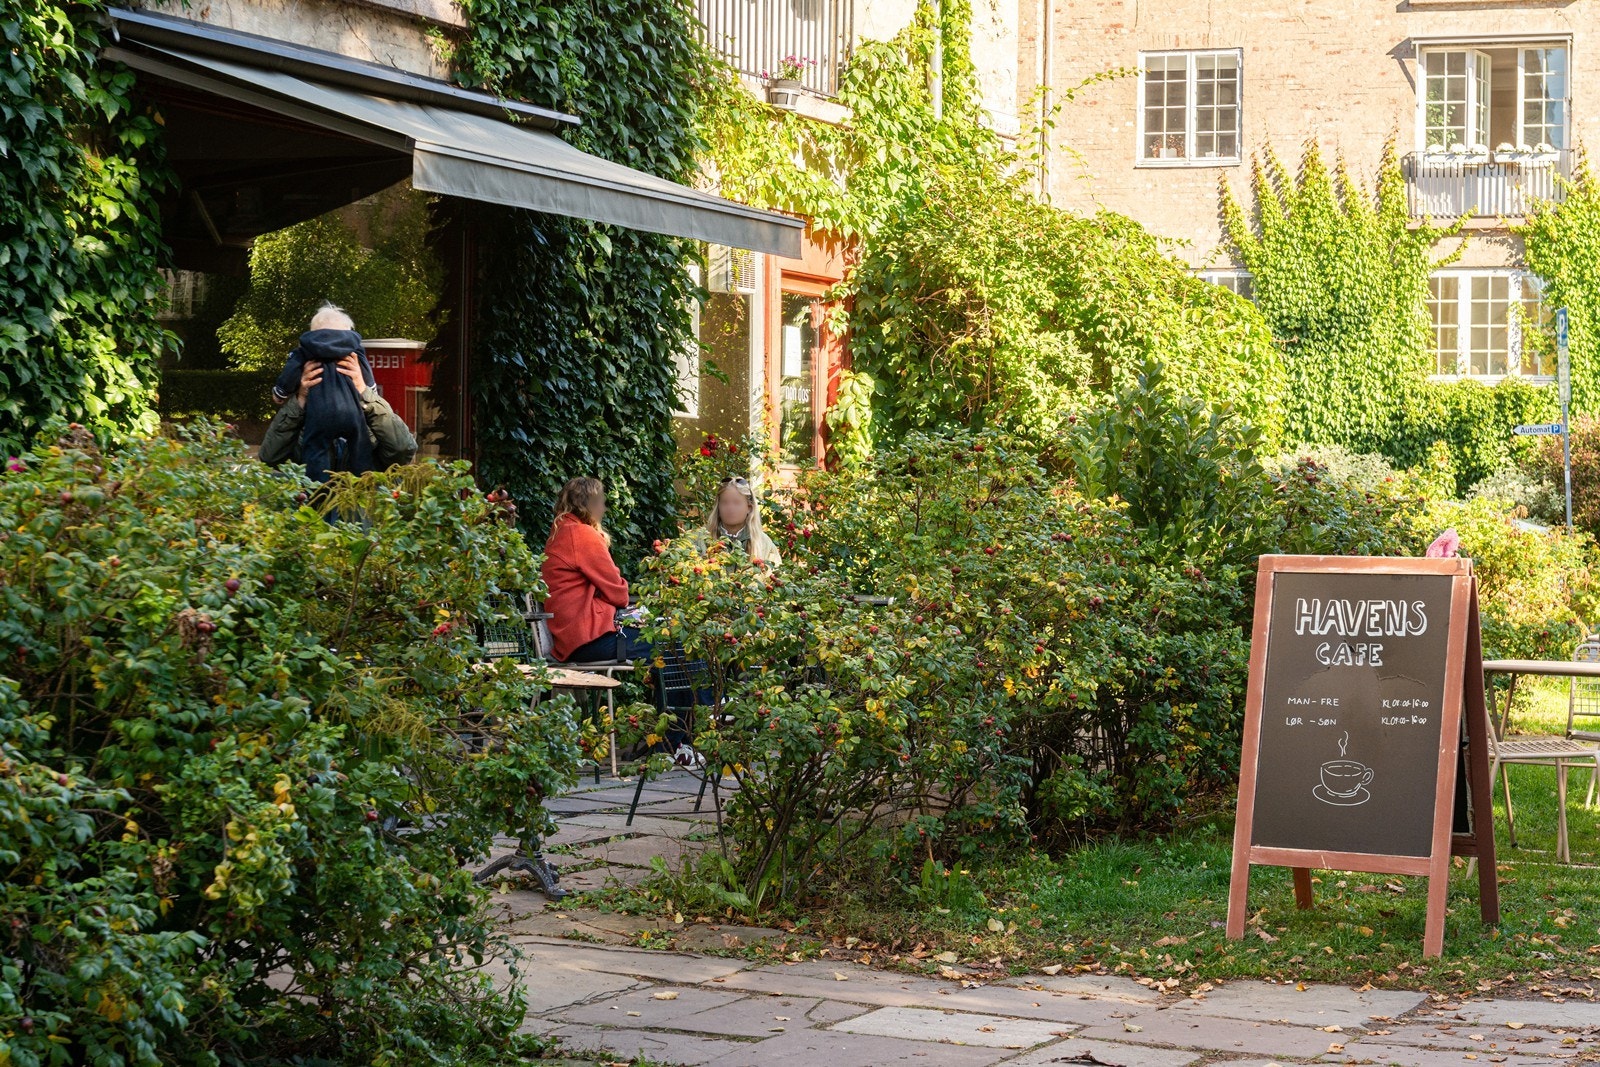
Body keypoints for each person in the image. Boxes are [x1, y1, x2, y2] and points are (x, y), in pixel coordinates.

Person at [541, 477, 650, 663]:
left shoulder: (560, 532)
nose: (604, 509)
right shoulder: (582, 534)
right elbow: (619, 594)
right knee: (671, 643)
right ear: (590, 505)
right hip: (589, 639)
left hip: (571, 639)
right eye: (602, 503)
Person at [270, 305, 380, 481]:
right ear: (347, 332)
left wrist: (280, 392)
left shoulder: (307, 350)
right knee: (360, 443)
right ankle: (362, 480)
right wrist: (369, 389)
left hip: (320, 413)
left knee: (315, 447)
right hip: (351, 413)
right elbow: (367, 374)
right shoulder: (354, 351)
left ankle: (317, 486)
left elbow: (290, 372)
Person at [259, 352, 416, 472]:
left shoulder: (373, 434)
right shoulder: (303, 433)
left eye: (344, 382)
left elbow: (403, 450)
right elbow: (271, 457)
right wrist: (300, 400)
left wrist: (365, 394)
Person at [697, 475, 781, 567]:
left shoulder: (763, 543)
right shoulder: (702, 539)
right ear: (718, 507)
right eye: (725, 502)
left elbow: (774, 573)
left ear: (749, 508)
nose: (730, 508)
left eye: (737, 503)